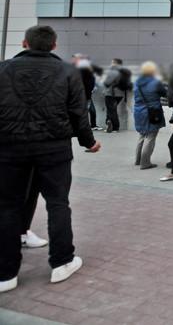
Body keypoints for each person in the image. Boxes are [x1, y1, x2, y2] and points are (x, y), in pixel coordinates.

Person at [0, 25, 101, 293]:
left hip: (10, 147)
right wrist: (88, 142)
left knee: (8, 206)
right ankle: (61, 262)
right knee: (57, 203)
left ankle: (6, 273)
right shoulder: (68, 71)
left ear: (25, 43)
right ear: (54, 46)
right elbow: (78, 111)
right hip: (53, 148)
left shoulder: (3, 69)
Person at [133, 61, 166, 170]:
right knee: (151, 137)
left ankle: (138, 160)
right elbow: (165, 93)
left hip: (138, 111)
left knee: (142, 135)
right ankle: (145, 163)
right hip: (151, 112)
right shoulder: (155, 82)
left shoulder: (137, 82)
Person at [102, 58, 130, 133]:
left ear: (115, 63)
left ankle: (115, 127)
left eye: (112, 62)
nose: (110, 64)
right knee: (111, 109)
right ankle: (109, 123)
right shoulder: (124, 71)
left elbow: (107, 83)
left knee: (111, 110)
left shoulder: (113, 71)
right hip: (120, 94)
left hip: (111, 93)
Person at [73, 55, 99, 130]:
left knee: (83, 111)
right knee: (86, 111)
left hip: (80, 94)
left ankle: (82, 126)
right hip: (86, 94)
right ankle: (88, 126)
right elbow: (92, 84)